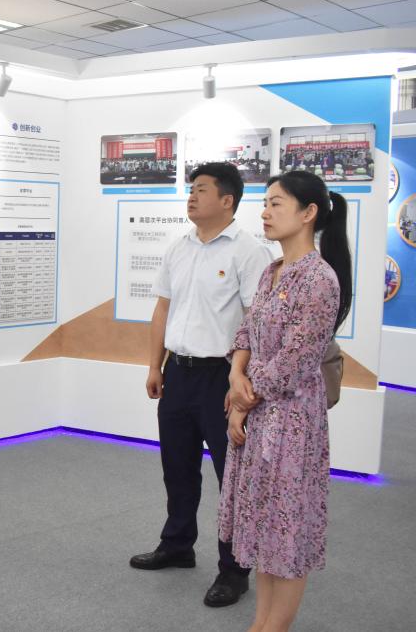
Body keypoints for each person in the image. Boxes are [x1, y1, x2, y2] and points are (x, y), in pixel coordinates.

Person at [131, 163, 272, 608]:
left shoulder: (248, 252)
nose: (192, 197)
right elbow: (162, 310)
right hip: (179, 372)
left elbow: (256, 322)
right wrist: (155, 366)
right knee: (177, 466)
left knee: (231, 476)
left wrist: (241, 380)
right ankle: (177, 544)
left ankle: (234, 568)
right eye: (191, 189)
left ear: (227, 200)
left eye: (202, 190)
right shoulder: (180, 247)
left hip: (222, 377)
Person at [220, 171, 351, 631]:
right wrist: (235, 373)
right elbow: (246, 329)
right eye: (266, 203)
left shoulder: (319, 279)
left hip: (291, 423)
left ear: (308, 212)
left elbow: (295, 361)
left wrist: (242, 401)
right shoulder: (271, 271)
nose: (265, 212)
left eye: (276, 203)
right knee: (264, 528)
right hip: (258, 415)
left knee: (287, 531)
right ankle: (260, 624)